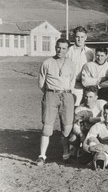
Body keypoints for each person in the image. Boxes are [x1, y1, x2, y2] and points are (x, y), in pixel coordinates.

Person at [36, 38, 76, 166]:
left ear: (67, 50)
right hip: (50, 95)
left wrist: (64, 94)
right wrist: (51, 94)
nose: (60, 50)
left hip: (67, 95)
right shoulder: (47, 62)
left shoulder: (71, 63)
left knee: (67, 127)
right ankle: (42, 156)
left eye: (64, 48)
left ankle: (66, 155)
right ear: (55, 47)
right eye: (58, 47)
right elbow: (41, 84)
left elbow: (72, 82)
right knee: (47, 127)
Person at [70, 86, 107, 159]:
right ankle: (75, 152)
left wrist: (88, 119)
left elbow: (105, 119)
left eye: (91, 97)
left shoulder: (101, 104)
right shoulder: (79, 109)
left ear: (96, 97)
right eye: (86, 97)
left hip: (99, 131)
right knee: (73, 138)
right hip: (86, 131)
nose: (88, 99)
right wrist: (81, 134)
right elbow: (75, 125)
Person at [66, 26, 94, 105]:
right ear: (74, 37)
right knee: (74, 108)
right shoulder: (69, 51)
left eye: (82, 37)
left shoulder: (90, 52)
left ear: (86, 37)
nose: (80, 39)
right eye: (77, 37)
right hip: (73, 85)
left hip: (87, 86)